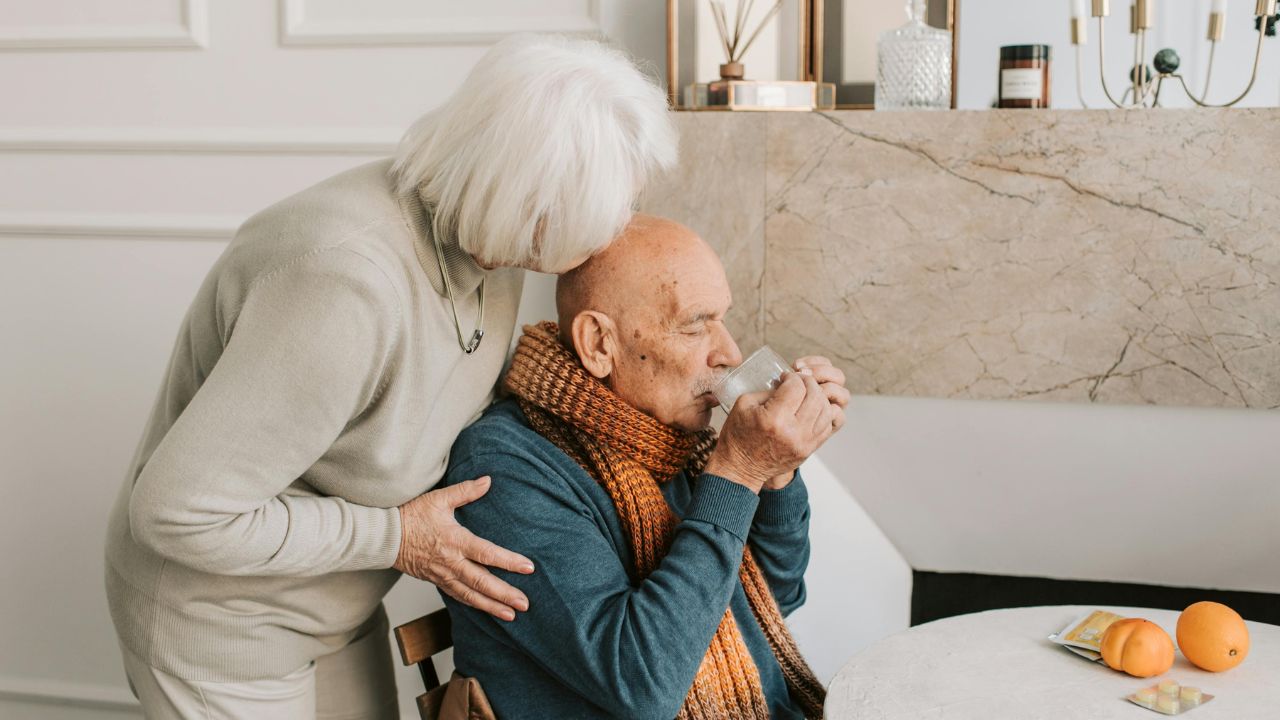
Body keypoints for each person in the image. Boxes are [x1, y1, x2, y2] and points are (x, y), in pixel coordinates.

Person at [103, 35, 677, 718]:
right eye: (609, 205)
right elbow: (174, 513)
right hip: (222, 630)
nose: (618, 228)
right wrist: (396, 538)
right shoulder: (341, 284)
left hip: (335, 604)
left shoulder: (492, 247)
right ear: (532, 200)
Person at [439, 215, 849, 719]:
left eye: (722, 319)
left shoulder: (666, 437)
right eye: (696, 324)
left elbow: (770, 603)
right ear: (599, 344)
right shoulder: (503, 473)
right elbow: (644, 683)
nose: (730, 352)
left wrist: (777, 473)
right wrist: (738, 473)